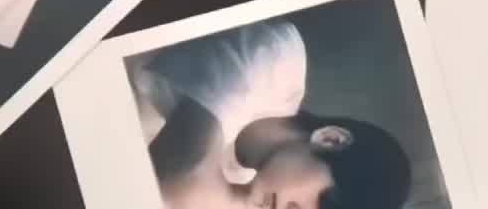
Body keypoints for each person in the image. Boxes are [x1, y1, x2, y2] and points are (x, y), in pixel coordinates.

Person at [129, 18, 412, 209]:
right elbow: (177, 184)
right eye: (325, 203)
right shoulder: (278, 59)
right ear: (331, 139)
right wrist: (237, 202)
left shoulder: (241, 176)